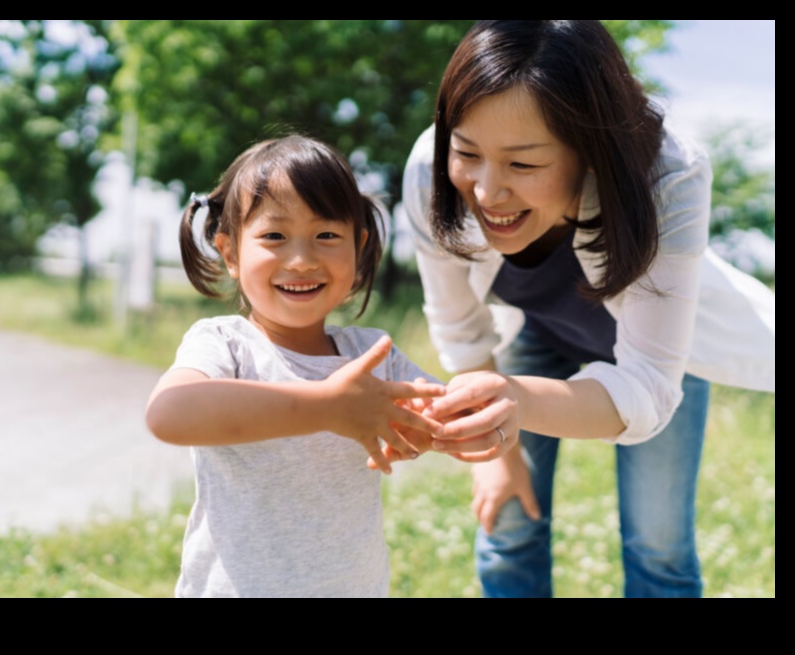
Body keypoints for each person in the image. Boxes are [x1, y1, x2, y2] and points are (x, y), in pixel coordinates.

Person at [402, 20, 775, 597]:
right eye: (468, 153)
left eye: (523, 165)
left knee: (659, 545)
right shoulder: (430, 170)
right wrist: (495, 448)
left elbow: (648, 384)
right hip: (532, 334)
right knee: (506, 521)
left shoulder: (667, 174)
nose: (486, 191)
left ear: (592, 152)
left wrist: (514, 400)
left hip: (658, 354)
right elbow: (461, 329)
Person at [145, 135, 446, 598]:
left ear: (358, 247)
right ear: (230, 253)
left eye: (327, 235)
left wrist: (458, 419)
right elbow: (169, 413)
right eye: (274, 236)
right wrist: (327, 407)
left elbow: (442, 408)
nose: (302, 260)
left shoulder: (370, 355)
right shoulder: (226, 345)